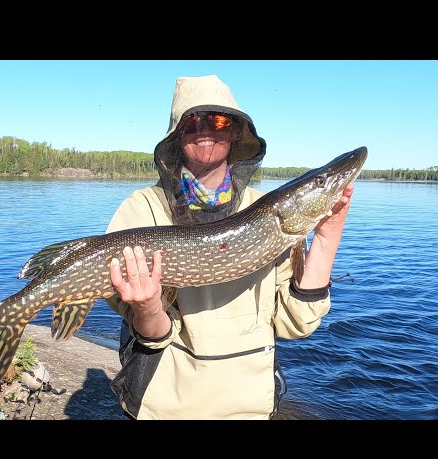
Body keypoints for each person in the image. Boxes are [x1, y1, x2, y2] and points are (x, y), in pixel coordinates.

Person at [105, 74, 354, 420]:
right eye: (193, 121)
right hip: (165, 408)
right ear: (177, 137)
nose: (206, 129)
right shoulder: (142, 209)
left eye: (219, 120)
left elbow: (294, 323)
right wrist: (147, 308)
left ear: (235, 132)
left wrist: (327, 236)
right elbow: (152, 336)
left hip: (249, 409)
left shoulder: (267, 213)